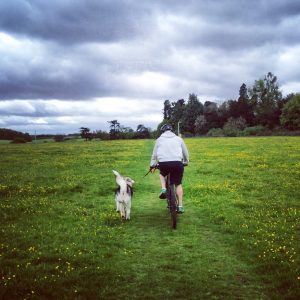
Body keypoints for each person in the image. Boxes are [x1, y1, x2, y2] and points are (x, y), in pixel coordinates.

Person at [150, 124, 189, 213]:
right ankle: (180, 206)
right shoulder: (179, 139)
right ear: (172, 131)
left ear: (163, 131)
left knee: (162, 174)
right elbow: (185, 152)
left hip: (163, 163)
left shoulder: (159, 140)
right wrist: (186, 161)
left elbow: (154, 154)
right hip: (177, 163)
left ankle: (163, 188)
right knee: (178, 184)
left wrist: (152, 165)